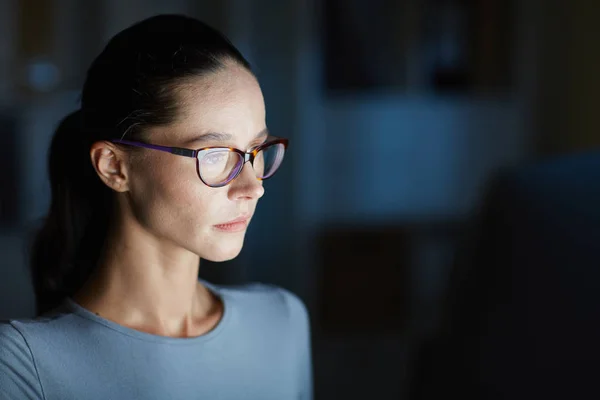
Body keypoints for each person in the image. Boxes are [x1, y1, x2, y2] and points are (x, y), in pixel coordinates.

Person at [0, 14, 312, 400]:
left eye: (257, 150)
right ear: (115, 167)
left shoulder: (281, 322)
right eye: (215, 155)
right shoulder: (22, 366)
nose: (253, 187)